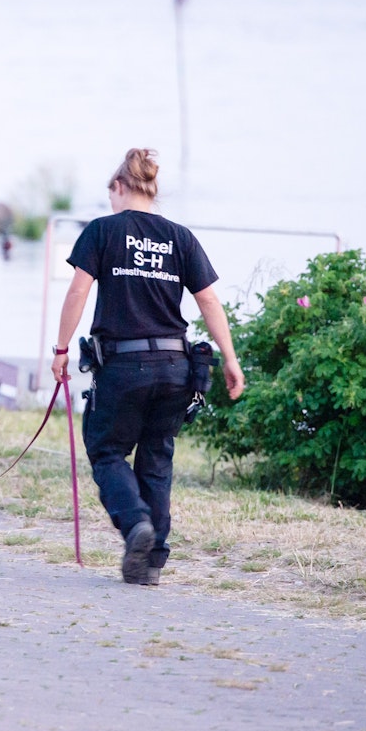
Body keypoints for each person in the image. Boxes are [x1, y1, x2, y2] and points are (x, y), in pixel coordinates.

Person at [51, 148, 244, 585]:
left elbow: (78, 293)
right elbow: (208, 299)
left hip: (124, 366)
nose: (111, 204)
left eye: (111, 196)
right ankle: (150, 561)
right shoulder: (180, 236)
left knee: (106, 450)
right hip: (176, 367)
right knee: (156, 459)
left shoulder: (102, 231)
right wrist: (230, 358)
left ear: (119, 187)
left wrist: (61, 349)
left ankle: (136, 522)